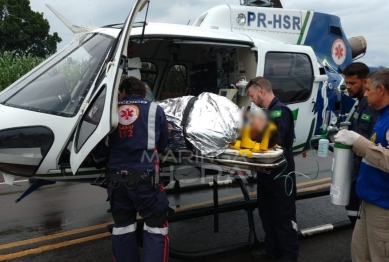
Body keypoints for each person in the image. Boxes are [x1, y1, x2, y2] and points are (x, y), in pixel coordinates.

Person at [93, 77, 169, 262]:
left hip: (117, 181)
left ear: (124, 91)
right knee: (156, 226)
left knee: (123, 226)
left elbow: (99, 150)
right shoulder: (154, 109)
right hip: (145, 180)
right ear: (142, 93)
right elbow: (164, 145)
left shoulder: (110, 112)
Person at [335, 68, 389, 262]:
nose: (365, 95)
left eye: (368, 90)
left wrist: (358, 141)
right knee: (359, 253)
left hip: (383, 206)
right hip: (369, 199)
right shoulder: (381, 115)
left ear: (381, 89)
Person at [247, 77, 298, 262]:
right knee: (266, 213)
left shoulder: (280, 112)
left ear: (261, 91)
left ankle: (289, 256)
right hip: (266, 172)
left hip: (280, 173)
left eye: (252, 95)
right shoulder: (268, 113)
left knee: (283, 217)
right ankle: (271, 251)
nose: (252, 100)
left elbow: (277, 141)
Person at [343, 62, 377, 225]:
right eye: (346, 83)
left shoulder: (371, 106)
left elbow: (371, 142)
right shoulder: (359, 104)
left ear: (365, 82)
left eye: (352, 83)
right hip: (358, 167)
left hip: (367, 168)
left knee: (360, 214)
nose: (348, 87)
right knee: (353, 210)